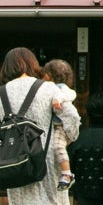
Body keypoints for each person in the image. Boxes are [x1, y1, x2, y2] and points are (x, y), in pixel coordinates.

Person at [0, 47, 80, 205]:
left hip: (14, 159)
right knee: (56, 202)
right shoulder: (48, 88)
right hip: (46, 158)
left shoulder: (0, 93)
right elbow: (71, 117)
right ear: (32, 64)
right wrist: (65, 139)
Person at [42, 59, 79, 192]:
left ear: (52, 75)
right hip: (55, 126)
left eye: (45, 73)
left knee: (58, 147)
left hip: (61, 126)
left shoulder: (60, 88)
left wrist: (59, 98)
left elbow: (71, 94)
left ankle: (67, 174)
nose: (42, 76)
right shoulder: (50, 88)